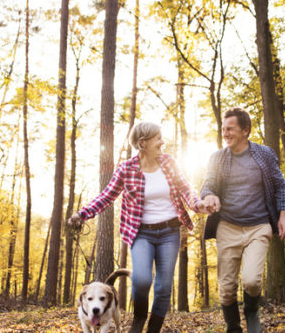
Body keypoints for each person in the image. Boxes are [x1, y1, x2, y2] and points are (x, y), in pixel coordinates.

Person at [68, 121, 207, 333]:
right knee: (141, 279)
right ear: (143, 143)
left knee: (163, 287)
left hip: (170, 231)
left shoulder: (169, 162)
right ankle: (140, 317)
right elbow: (107, 196)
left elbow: (186, 189)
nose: (162, 142)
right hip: (141, 233)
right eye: (158, 138)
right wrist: (82, 214)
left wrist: (199, 205)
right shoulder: (127, 169)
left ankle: (152, 329)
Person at [201, 108, 285, 333]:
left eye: (230, 129)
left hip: (258, 226)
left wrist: (283, 216)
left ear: (246, 131)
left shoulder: (264, 155)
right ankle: (233, 327)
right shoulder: (218, 158)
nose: (226, 133)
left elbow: (281, 185)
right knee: (227, 288)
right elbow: (208, 184)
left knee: (251, 280)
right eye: (223, 129)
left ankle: (251, 311)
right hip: (228, 227)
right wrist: (209, 195)